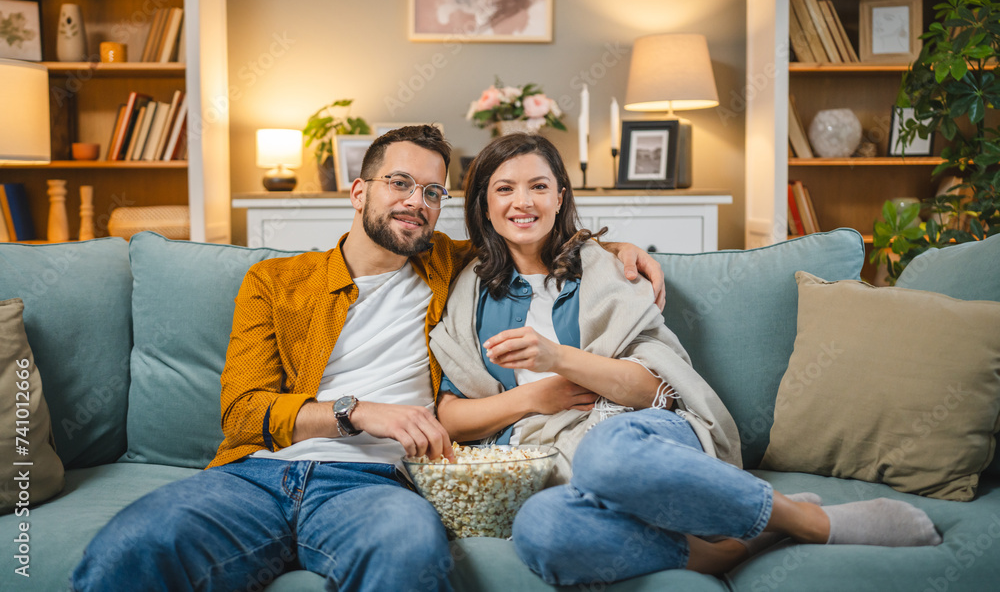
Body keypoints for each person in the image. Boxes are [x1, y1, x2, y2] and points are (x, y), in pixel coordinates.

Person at [70, 125, 666, 592]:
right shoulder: (277, 281)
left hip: (378, 484)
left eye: (433, 192)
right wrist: (354, 412)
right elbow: (243, 411)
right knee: (127, 550)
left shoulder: (452, 268)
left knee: (408, 555)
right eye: (400, 184)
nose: (417, 202)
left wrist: (617, 249)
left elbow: (533, 231)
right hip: (257, 475)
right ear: (359, 192)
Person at [429, 133, 943, 587]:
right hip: (546, 459)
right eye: (505, 188)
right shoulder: (470, 292)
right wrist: (534, 395)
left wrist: (559, 358)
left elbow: (655, 390)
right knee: (541, 530)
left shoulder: (605, 269)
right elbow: (451, 417)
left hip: (640, 434)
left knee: (605, 453)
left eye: (539, 186)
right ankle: (728, 550)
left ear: (560, 196)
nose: (524, 201)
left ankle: (804, 521)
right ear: (484, 203)